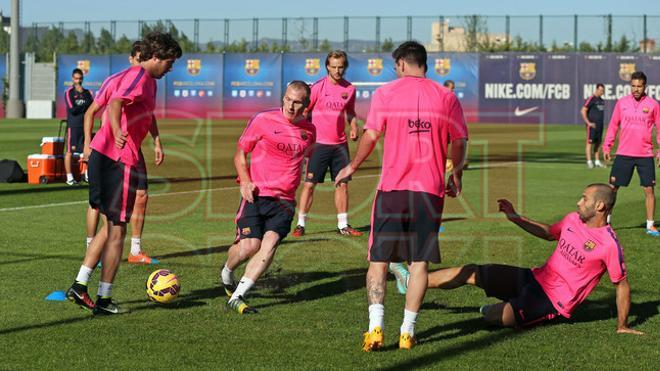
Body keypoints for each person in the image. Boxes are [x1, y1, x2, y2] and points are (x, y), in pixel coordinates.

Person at [334, 41, 468, 351]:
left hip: (393, 189)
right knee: (419, 264)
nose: (395, 71)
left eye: (395, 66)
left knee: (378, 261)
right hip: (430, 191)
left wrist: (352, 165)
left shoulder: (386, 93)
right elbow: (460, 140)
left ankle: (376, 329)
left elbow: (370, 135)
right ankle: (407, 332)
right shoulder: (447, 97)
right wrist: (456, 173)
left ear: (403, 64)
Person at [416, 184, 642, 335]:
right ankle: (413, 284)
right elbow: (547, 233)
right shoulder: (573, 219)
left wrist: (622, 325)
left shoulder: (609, 244)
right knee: (472, 271)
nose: (578, 203)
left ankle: (499, 308)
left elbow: (621, 285)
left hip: (551, 302)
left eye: (584, 199)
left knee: (493, 317)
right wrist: (515, 217)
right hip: (533, 277)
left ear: (600, 206)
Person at [66, 32, 181, 315]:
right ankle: (104, 300)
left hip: (108, 156)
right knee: (118, 230)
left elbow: (125, 110)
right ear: (155, 57)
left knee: (110, 226)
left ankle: (80, 286)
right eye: (169, 61)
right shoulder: (139, 78)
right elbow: (115, 104)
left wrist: (155, 139)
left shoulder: (136, 80)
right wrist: (118, 133)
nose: (171, 67)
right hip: (119, 159)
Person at [220, 81, 316, 314]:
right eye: (288, 99)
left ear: (306, 105)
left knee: (269, 244)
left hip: (284, 202)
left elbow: (307, 157)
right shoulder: (262, 119)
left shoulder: (310, 131)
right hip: (256, 195)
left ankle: (238, 295)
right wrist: (244, 180)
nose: (291, 106)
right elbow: (240, 154)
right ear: (283, 98)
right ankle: (226, 272)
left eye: (297, 102)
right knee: (249, 247)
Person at [82, 41, 159, 264]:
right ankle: (91, 251)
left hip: (131, 148)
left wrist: (156, 139)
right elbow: (93, 112)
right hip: (108, 148)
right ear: (132, 59)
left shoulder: (148, 82)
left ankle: (135, 249)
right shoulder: (114, 80)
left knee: (141, 196)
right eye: (136, 58)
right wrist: (87, 143)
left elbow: (147, 112)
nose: (138, 63)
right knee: (98, 205)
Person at [292, 50, 362, 237]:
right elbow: (305, 112)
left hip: (340, 145)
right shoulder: (317, 88)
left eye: (341, 67)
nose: (337, 71)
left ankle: (343, 225)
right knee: (309, 184)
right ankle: (300, 224)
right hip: (319, 145)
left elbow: (350, 112)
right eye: (334, 67)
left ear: (345, 67)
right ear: (327, 67)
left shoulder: (350, 89)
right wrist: (303, 133)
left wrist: (353, 126)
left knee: (342, 185)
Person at [602, 71, 660, 236]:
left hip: (645, 154)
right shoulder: (622, 103)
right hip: (624, 154)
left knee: (649, 190)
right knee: (612, 189)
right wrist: (607, 146)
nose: (636, 89)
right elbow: (613, 125)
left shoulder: (654, 105)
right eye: (633, 86)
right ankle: (606, 223)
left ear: (645, 86)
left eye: (639, 86)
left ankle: (650, 225)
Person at [64, 68, 93, 185]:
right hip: (74, 126)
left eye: (80, 78)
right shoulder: (69, 93)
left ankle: (86, 175)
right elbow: (73, 109)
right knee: (70, 151)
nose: (78, 81)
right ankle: (69, 177)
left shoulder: (87, 93)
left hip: (86, 126)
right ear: (72, 78)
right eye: (76, 78)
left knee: (88, 151)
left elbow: (91, 107)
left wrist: (85, 106)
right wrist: (85, 105)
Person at [581, 84, 606, 169]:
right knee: (589, 143)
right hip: (592, 125)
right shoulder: (591, 99)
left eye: (603, 90)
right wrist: (588, 122)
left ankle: (597, 161)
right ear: (597, 89)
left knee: (598, 143)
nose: (602, 92)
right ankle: (589, 161)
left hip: (600, 125)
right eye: (600, 90)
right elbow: (583, 110)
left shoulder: (602, 101)